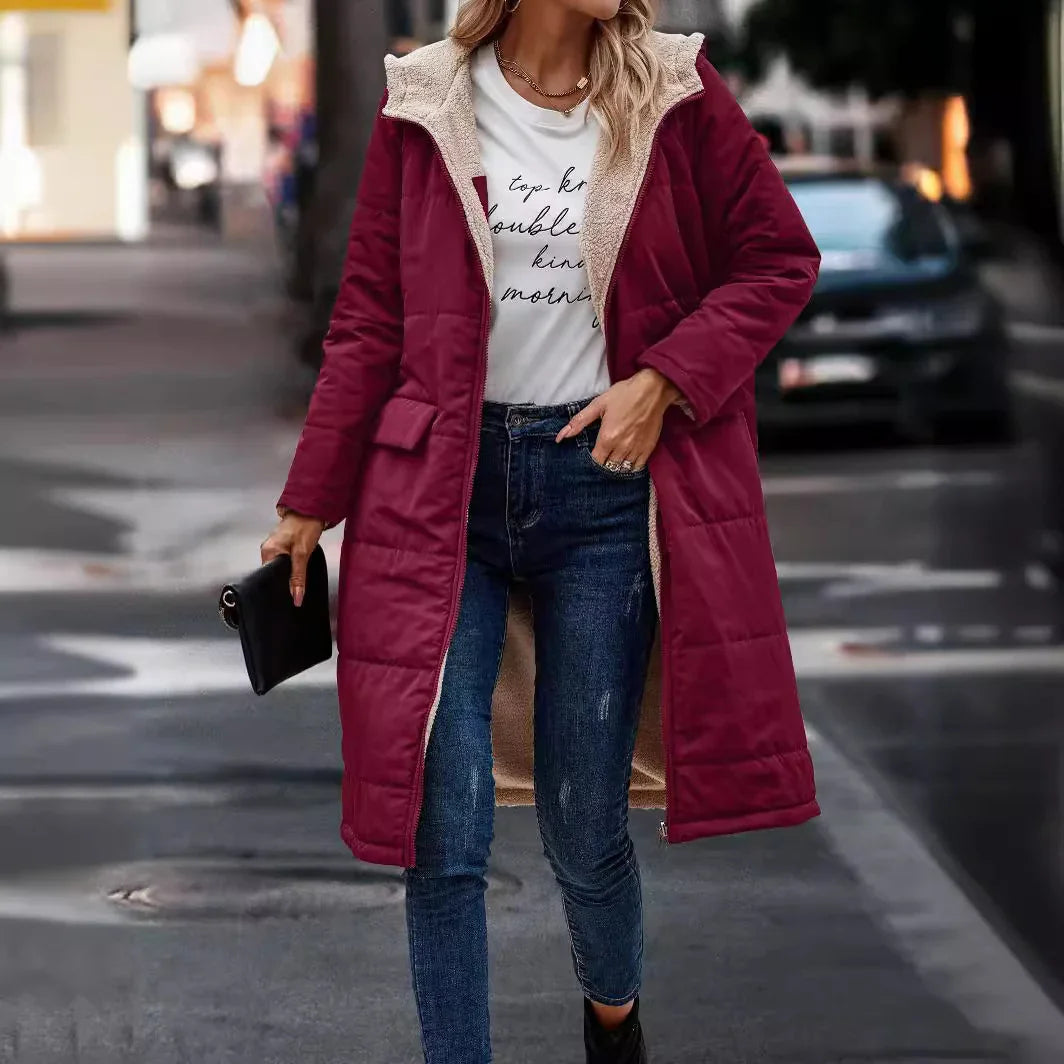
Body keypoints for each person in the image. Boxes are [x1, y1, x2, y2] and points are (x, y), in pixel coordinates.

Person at [262, 0, 822, 1059]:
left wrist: (663, 378)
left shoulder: (675, 90)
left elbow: (775, 260)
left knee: (580, 817)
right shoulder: (424, 97)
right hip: (442, 493)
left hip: (604, 493)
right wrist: (308, 500)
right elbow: (371, 316)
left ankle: (612, 1017)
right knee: (444, 819)